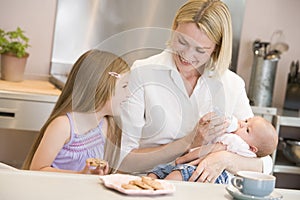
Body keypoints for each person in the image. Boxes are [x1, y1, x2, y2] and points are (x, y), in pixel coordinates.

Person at [118, 0, 273, 183]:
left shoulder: (232, 84)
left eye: (200, 50)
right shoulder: (142, 73)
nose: (187, 55)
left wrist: (224, 159)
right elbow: (124, 161)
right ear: (174, 28)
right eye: (182, 41)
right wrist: (189, 142)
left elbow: (264, 162)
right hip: (151, 185)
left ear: (217, 47)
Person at [22, 49, 130, 174]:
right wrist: (80, 175)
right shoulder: (63, 126)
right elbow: (37, 169)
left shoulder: (106, 124)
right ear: (101, 86)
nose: (128, 94)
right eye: (124, 86)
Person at [147, 116, 278, 182]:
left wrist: (185, 157)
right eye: (245, 121)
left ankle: (161, 188)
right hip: (195, 166)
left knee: (177, 174)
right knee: (161, 170)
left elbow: (211, 149)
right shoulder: (241, 139)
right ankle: (153, 183)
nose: (241, 124)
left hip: (210, 172)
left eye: (247, 129)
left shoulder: (237, 142)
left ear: (252, 148)